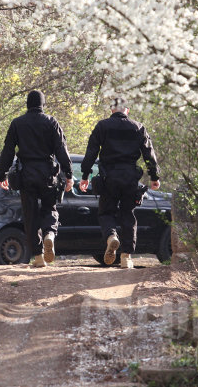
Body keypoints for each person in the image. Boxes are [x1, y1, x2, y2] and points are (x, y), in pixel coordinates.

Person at [79, 100, 160, 269]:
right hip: (130, 177)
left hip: (109, 177)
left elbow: (91, 151)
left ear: (112, 110)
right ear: (127, 110)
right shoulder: (138, 127)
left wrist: (85, 175)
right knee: (128, 215)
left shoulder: (102, 126)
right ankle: (126, 257)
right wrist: (154, 176)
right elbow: (148, 153)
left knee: (106, 212)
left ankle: (111, 237)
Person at [0, 90, 73, 267]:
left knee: (30, 215)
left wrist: (2, 173)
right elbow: (61, 149)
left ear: (27, 104)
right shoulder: (51, 122)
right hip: (47, 173)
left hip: (26, 174)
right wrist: (69, 174)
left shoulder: (17, 123)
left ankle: (38, 257)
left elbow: (8, 150)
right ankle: (49, 234)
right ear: (42, 104)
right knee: (49, 208)